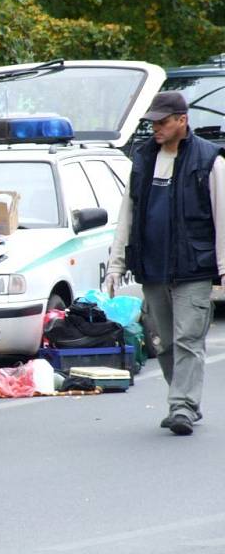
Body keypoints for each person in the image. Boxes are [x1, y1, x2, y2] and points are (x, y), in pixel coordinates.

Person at [105, 91, 225, 436]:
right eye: (153, 122)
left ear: (182, 121)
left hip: (194, 269)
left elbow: (222, 217)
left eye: (162, 121)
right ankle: (182, 397)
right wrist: (116, 264)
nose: (155, 128)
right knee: (166, 344)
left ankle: (182, 406)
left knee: (189, 338)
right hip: (153, 268)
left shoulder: (210, 160)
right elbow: (126, 215)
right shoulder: (143, 160)